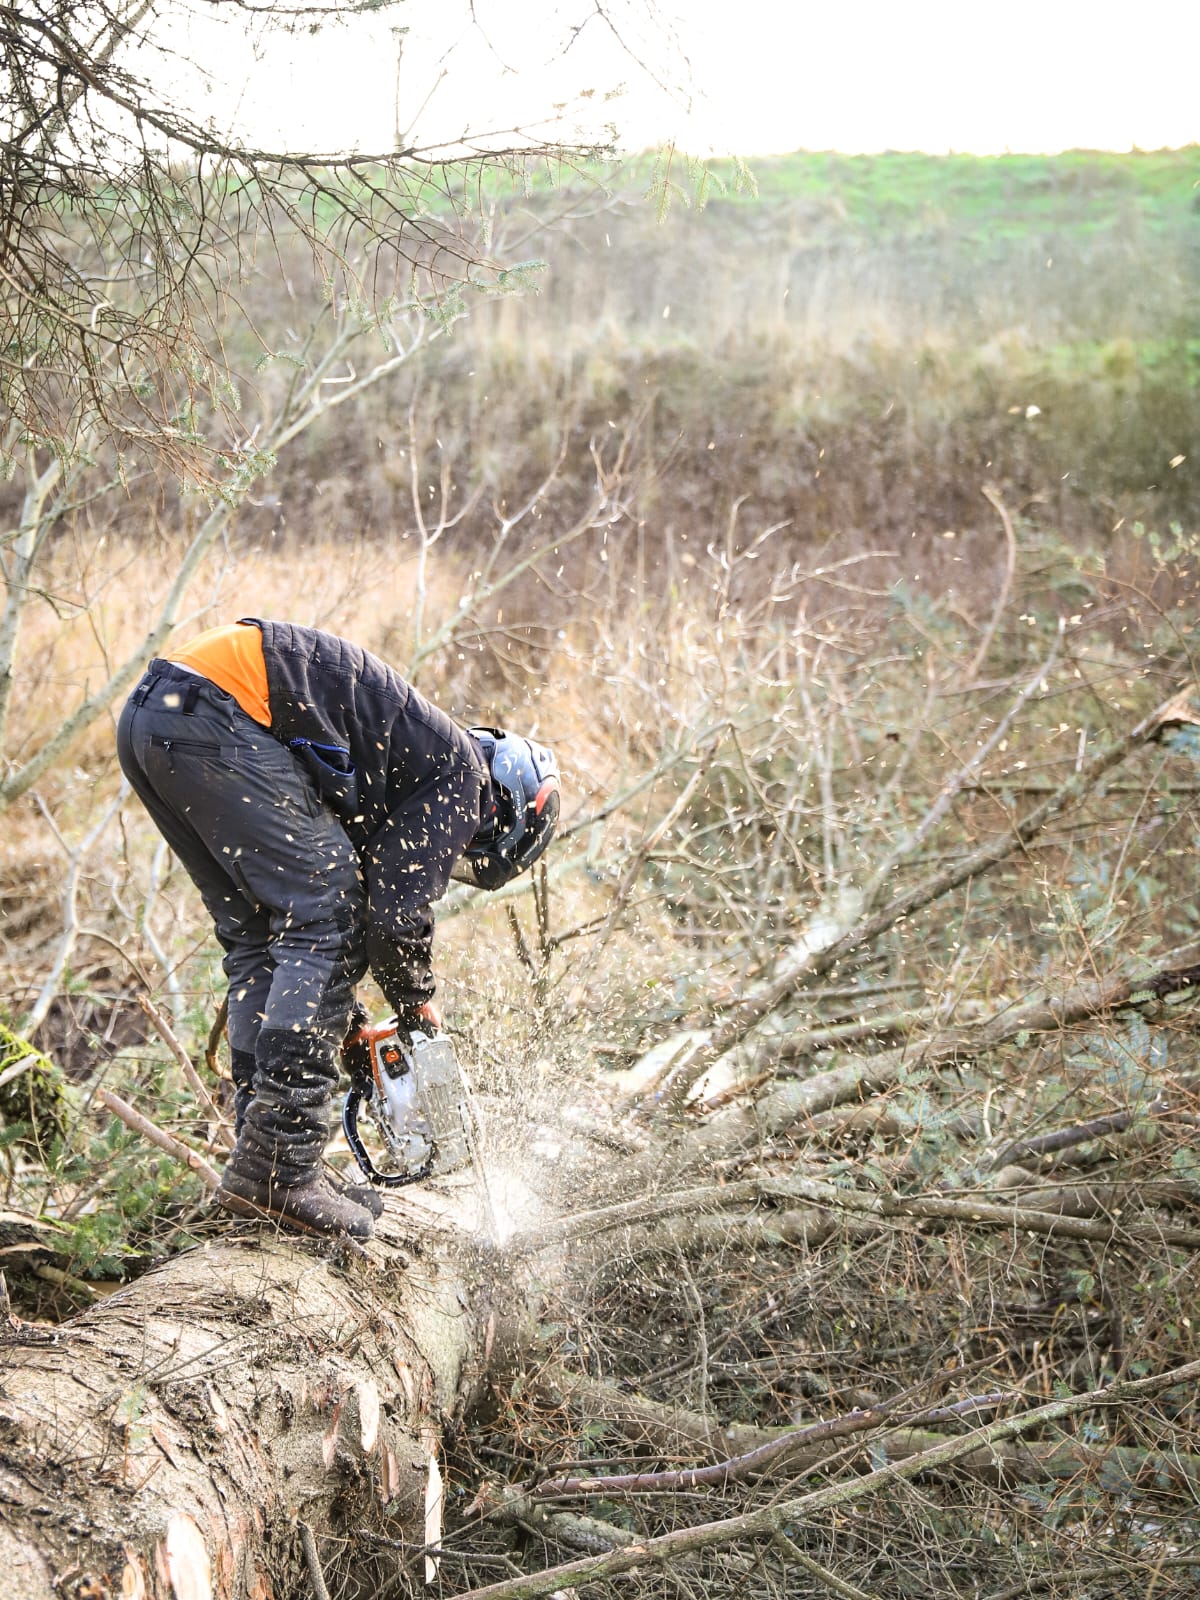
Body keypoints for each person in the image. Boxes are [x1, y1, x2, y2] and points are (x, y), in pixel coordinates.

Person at [116, 618, 560, 1241]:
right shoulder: (465, 777)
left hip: (155, 713)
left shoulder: (399, 768)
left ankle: (262, 1158)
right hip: (214, 713)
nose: (456, 854)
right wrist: (415, 1006)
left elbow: (318, 931)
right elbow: (390, 917)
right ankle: (281, 1162)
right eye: (470, 850)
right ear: (505, 811)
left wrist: (344, 1023)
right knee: (332, 912)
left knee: (258, 939)